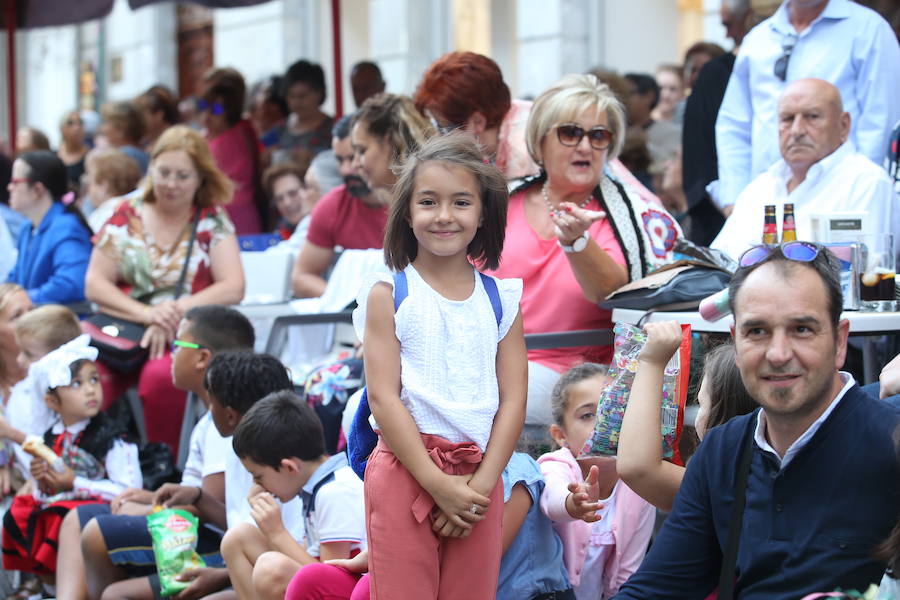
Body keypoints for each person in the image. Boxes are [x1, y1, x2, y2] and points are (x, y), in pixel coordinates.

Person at [613, 242, 900, 598]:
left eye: (802, 329)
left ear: (840, 342)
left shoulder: (891, 442)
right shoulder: (723, 451)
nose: (778, 354)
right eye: (757, 331)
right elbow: (657, 589)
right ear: (736, 343)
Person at [354, 133, 526, 599]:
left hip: (479, 478)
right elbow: (382, 398)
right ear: (407, 213)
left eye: (461, 202)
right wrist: (436, 483)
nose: (444, 215)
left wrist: (478, 488)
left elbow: (513, 401)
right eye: (428, 202)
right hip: (405, 471)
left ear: (483, 212)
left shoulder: (501, 300)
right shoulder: (388, 294)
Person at [489, 73, 681, 434]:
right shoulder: (502, 201)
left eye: (598, 136)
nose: (585, 146)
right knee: (378, 395)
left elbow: (611, 292)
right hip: (488, 362)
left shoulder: (626, 215)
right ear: (540, 140)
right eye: (570, 133)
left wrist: (577, 243)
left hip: (573, 374)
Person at [70, 306, 254, 600]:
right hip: (200, 525)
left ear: (202, 359)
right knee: (79, 517)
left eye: (176, 345)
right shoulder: (208, 417)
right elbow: (195, 493)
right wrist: (149, 497)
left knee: (97, 533)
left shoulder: (226, 422)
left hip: (213, 539)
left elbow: (211, 505)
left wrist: (149, 510)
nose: (169, 356)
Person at [84, 125, 244, 456]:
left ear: (200, 177)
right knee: (90, 377)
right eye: (164, 172)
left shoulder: (210, 218)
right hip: (125, 329)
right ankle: (90, 464)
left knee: (163, 379)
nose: (171, 184)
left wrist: (175, 311)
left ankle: (164, 464)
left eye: (182, 176)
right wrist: (148, 313)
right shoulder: (125, 213)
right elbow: (95, 284)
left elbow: (233, 285)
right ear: (150, 170)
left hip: (183, 330)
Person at [715, 0, 900, 210]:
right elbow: (734, 124)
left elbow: (881, 121)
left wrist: (862, 196)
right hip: (767, 204)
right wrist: (735, 199)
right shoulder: (758, 40)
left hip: (840, 203)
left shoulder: (869, 30)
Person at [413, 52, 660, 208]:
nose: (439, 137)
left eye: (443, 127)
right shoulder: (517, 115)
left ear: (477, 121)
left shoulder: (526, 152)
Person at [0, 336, 141, 582]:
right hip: (63, 503)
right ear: (52, 401)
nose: (90, 389)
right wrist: (43, 480)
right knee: (22, 512)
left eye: (94, 379)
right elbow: (46, 493)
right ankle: (48, 585)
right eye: (76, 383)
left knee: (60, 516)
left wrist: (74, 483)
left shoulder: (110, 437)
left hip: (104, 510)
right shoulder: (51, 436)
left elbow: (130, 491)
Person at [712, 78, 898, 261]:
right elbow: (717, 260)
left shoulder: (866, 183)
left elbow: (868, 275)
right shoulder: (761, 187)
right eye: (788, 118)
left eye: (812, 117)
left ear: (843, 125)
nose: (797, 130)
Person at [171, 351, 300, 600]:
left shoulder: (284, 464)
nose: (210, 411)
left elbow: (292, 554)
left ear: (230, 415)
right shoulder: (236, 452)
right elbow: (241, 524)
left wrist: (221, 575)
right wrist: (198, 496)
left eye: (211, 403)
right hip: (249, 572)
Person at [228, 391, 366, 600]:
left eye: (258, 477)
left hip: (356, 590)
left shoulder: (335, 491)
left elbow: (324, 578)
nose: (257, 487)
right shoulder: (314, 487)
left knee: (271, 570)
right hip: (332, 583)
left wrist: (276, 533)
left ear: (289, 467)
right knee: (238, 539)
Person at [291, 100, 432, 298]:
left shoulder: (427, 201)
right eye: (339, 160)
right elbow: (301, 277)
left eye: (360, 152)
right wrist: (351, 301)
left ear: (390, 143)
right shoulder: (333, 204)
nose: (350, 167)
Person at [538, 364, 655, 599]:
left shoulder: (639, 487)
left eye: (614, 410)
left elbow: (628, 572)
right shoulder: (556, 464)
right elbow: (553, 497)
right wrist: (573, 502)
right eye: (588, 415)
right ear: (561, 436)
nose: (604, 424)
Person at [617, 324, 757, 511]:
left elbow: (638, 468)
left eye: (701, 404)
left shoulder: (723, 486)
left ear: (722, 417)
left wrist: (652, 362)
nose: (698, 413)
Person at [682, 0, 761, 244]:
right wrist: (728, 201)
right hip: (725, 207)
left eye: (728, 24)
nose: (727, 33)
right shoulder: (715, 74)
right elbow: (706, 147)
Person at [5, 151, 93, 304]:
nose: (9, 187)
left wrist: (21, 301)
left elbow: (71, 284)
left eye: (15, 181)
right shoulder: (28, 226)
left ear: (38, 189)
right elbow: (16, 276)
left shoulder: (67, 228)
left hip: (57, 322)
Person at [200, 67, 266, 235]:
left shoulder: (228, 141)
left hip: (234, 217)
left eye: (216, 110)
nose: (207, 115)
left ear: (231, 112)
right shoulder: (222, 134)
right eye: (204, 106)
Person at [272, 59, 334, 172]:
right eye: (291, 96)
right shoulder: (279, 129)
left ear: (319, 93)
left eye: (302, 96)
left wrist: (312, 157)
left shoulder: (333, 129)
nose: (296, 103)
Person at [82, 149, 141, 232]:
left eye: (91, 183)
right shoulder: (143, 208)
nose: (89, 190)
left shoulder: (100, 219)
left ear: (104, 186)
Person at [263, 162, 312, 242]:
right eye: (279, 198)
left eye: (292, 193)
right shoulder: (279, 232)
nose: (287, 202)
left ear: (307, 190)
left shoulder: (326, 225)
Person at [99, 101, 149, 174]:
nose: (103, 128)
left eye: (106, 122)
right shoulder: (139, 153)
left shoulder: (125, 155)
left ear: (120, 129)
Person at [134, 85, 180, 151]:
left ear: (159, 115)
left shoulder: (176, 142)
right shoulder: (143, 143)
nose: (138, 120)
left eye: (142, 115)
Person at [57, 110, 89, 192]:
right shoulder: (53, 155)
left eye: (80, 123)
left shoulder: (91, 156)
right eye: (70, 123)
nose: (77, 127)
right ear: (61, 128)